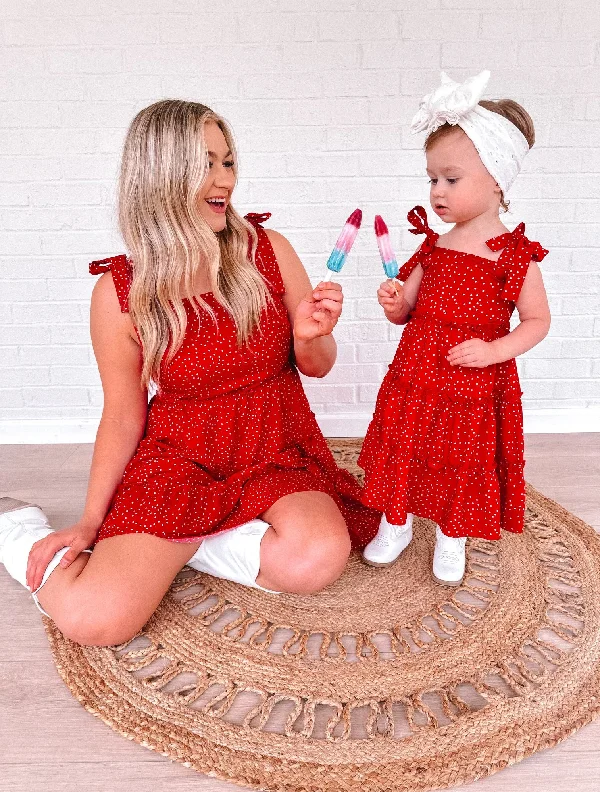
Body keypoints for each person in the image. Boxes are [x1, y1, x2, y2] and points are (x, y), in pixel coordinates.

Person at [0, 100, 379, 647]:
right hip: (181, 456)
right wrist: (88, 520)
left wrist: (310, 336)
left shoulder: (266, 250)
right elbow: (123, 412)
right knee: (94, 621)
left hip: (274, 443)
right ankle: (16, 531)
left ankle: (188, 541)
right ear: (160, 177)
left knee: (319, 557)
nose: (224, 178)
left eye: (228, 162)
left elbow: (317, 367)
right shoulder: (120, 294)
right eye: (206, 164)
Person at [358, 71, 551, 586]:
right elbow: (406, 313)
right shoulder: (434, 246)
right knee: (406, 444)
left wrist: (493, 351)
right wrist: (394, 302)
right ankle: (393, 522)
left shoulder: (515, 254)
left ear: (496, 179)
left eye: (451, 178)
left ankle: (451, 534)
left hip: (469, 380)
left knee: (458, 457)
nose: (437, 191)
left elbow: (537, 321)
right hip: (417, 371)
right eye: (432, 179)